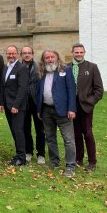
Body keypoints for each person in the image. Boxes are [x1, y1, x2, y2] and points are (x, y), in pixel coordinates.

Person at [36, 49, 77, 178]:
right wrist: (39, 109)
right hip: (46, 110)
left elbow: (72, 90)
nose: (49, 59)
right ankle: (54, 162)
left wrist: (71, 109)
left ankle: (70, 165)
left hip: (63, 111)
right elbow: (39, 92)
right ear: (44, 60)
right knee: (50, 138)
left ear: (57, 57)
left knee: (68, 140)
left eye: (52, 57)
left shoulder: (66, 70)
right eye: (46, 57)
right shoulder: (42, 72)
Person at [0, 45, 35, 166]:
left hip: (17, 107)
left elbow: (23, 89)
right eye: (9, 53)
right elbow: (3, 86)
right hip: (8, 105)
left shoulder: (21, 68)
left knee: (18, 130)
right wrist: (2, 103)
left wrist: (16, 105)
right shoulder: (6, 67)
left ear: (17, 54)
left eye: (13, 53)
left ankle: (22, 157)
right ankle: (19, 153)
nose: (11, 55)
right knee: (14, 130)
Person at [71, 43, 104, 171]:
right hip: (72, 107)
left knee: (88, 134)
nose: (78, 54)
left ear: (84, 52)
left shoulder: (92, 67)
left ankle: (92, 162)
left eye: (81, 52)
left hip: (86, 107)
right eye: (76, 52)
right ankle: (78, 158)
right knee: (76, 134)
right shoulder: (68, 67)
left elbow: (99, 90)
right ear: (72, 52)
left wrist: (90, 101)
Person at [20, 46, 46, 164]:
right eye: (24, 53)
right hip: (23, 103)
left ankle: (41, 154)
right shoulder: (18, 67)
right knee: (26, 129)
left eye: (29, 53)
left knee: (40, 129)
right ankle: (28, 151)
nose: (27, 55)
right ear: (21, 55)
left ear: (32, 54)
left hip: (36, 102)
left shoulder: (39, 67)